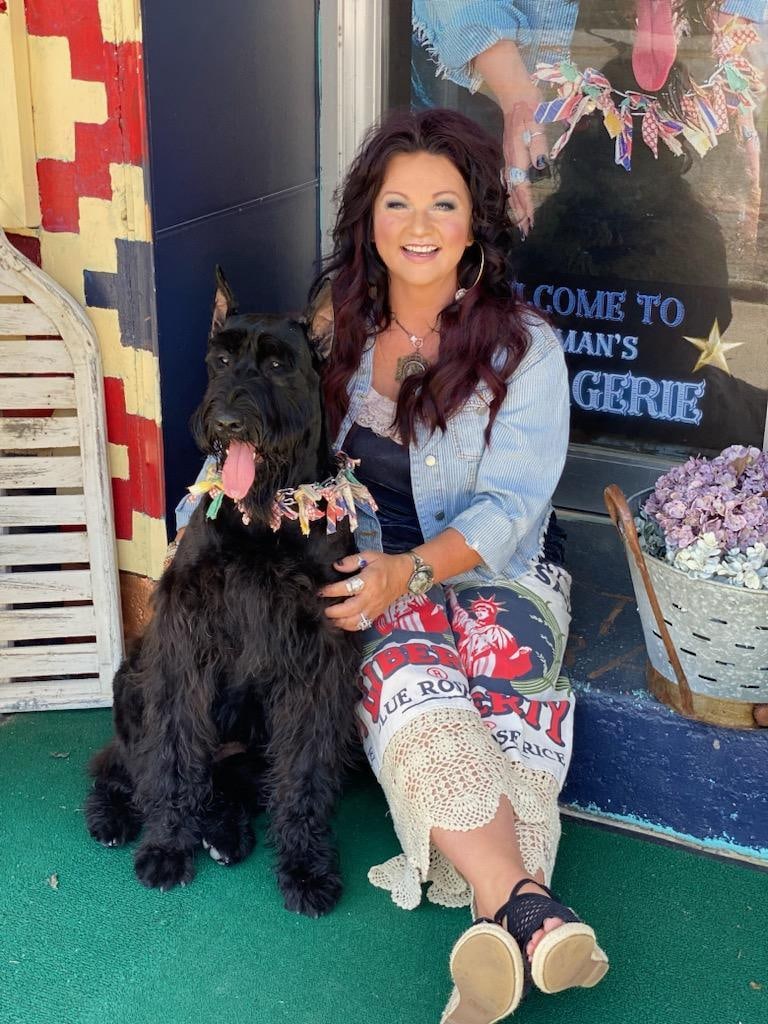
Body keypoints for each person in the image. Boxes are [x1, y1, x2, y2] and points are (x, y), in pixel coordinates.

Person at [176, 108, 608, 1024]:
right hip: (362, 567)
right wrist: (197, 524)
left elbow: (511, 508)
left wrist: (413, 573)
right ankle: (528, 914)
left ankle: (502, 911)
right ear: (369, 221)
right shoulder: (331, 336)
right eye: (397, 203)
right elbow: (255, 442)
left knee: (500, 696)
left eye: (442, 205)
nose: (418, 226)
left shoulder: (525, 348)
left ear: (476, 223)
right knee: (411, 683)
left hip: (501, 569)